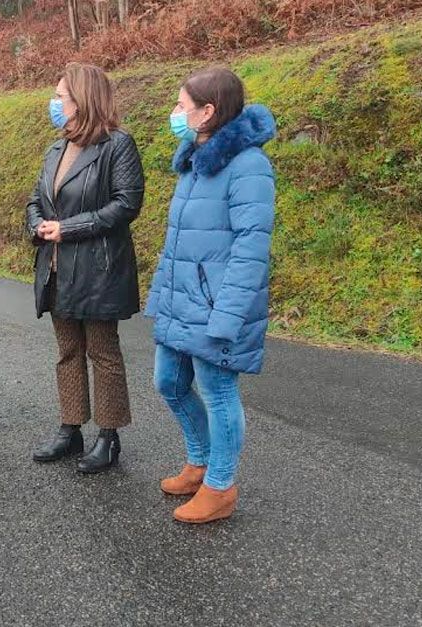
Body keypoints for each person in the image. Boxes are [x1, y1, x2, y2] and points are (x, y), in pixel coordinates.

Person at [144, 67, 276, 524]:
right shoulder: (196, 160)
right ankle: (199, 461)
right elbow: (179, 242)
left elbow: (250, 248)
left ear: (208, 112)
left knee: (218, 393)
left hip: (217, 306)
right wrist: (162, 294)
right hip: (183, 302)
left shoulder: (248, 165)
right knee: (169, 382)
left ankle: (220, 486)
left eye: (181, 106)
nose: (175, 114)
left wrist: (228, 316)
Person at [25, 63, 145, 473]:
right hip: (56, 267)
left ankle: (108, 437)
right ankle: (70, 429)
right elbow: (35, 200)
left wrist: (69, 229)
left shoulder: (117, 144)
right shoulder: (56, 148)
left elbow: (126, 204)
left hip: (98, 270)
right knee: (67, 351)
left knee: (102, 352)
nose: (54, 103)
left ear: (83, 99)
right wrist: (37, 225)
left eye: (61, 96)